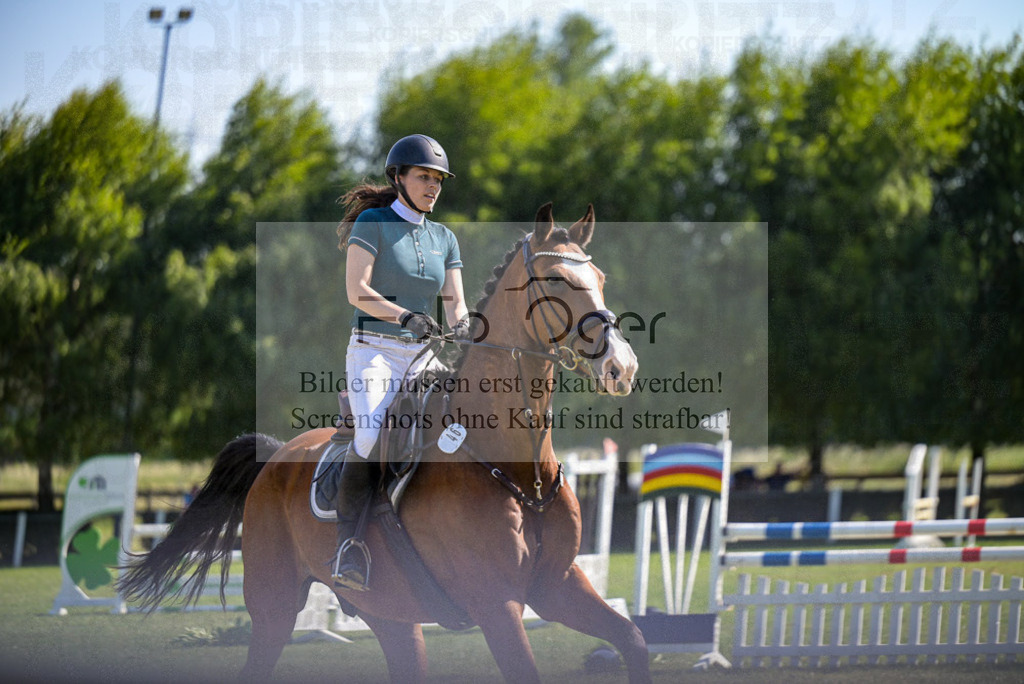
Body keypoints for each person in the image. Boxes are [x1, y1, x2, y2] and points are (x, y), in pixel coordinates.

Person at [330, 134, 471, 590]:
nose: (433, 186)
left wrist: (471, 331)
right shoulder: (373, 222)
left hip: (423, 357)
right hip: (375, 350)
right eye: (424, 177)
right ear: (399, 178)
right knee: (371, 435)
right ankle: (348, 547)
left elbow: (455, 305)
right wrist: (405, 314)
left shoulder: (444, 238)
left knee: (464, 423)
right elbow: (357, 292)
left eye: (438, 180)